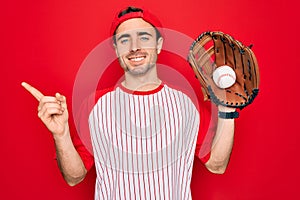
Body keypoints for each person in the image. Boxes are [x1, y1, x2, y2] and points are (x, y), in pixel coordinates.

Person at [22, 6, 236, 200]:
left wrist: (227, 107)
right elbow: (74, 177)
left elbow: (217, 165)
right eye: (124, 40)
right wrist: (60, 135)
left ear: (159, 44)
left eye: (143, 37)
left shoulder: (187, 102)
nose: (134, 47)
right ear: (116, 50)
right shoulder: (95, 105)